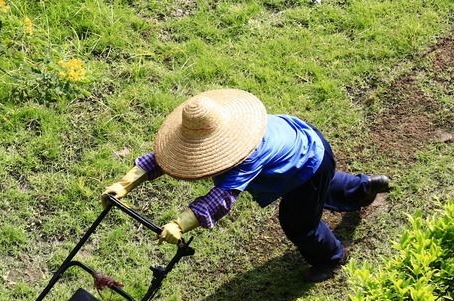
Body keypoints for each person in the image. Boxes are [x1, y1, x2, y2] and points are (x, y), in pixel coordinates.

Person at [103, 88, 391, 282]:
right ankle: (362, 188)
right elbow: (165, 158)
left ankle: (331, 258)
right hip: (303, 143)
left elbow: (221, 200)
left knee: (298, 219)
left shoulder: (244, 156)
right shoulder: (229, 124)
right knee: (316, 188)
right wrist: (124, 184)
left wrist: (179, 224)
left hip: (308, 162)